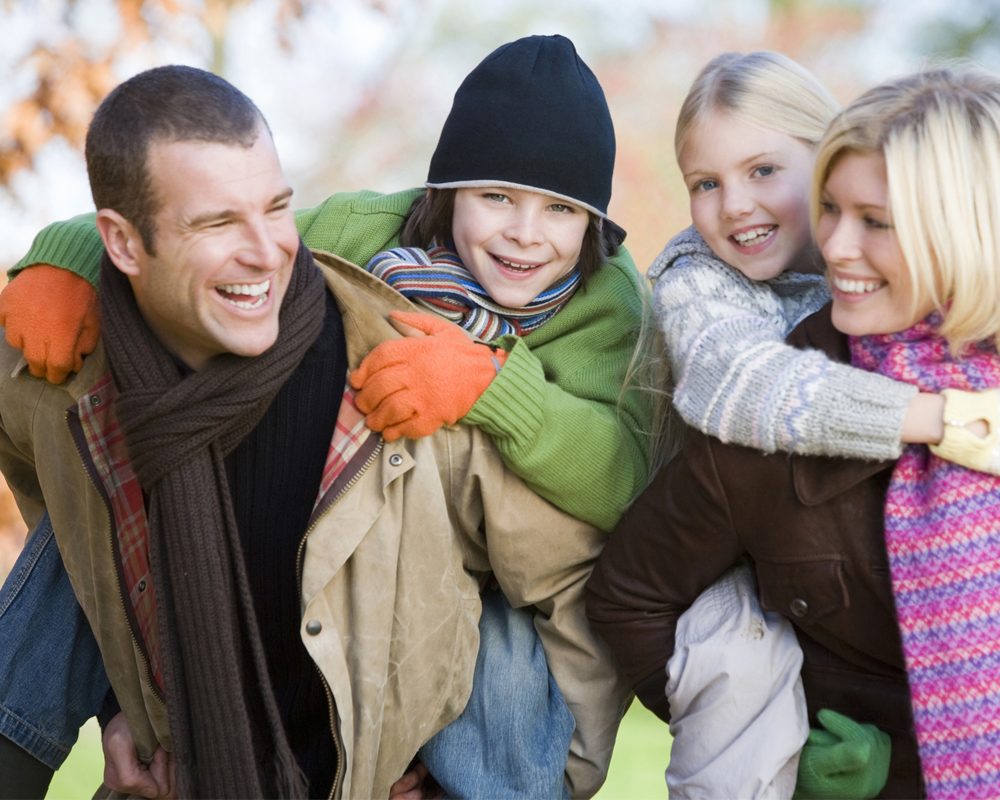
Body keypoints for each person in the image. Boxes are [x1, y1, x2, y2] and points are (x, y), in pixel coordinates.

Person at [0, 36, 653, 799]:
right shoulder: (366, 229)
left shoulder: (607, 307)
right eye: (497, 196)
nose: (525, 233)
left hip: (481, 577)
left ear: (595, 225)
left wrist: (495, 389)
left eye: (562, 209)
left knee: (507, 642)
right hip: (334, 523)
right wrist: (66, 257)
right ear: (444, 192)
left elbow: (622, 478)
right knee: (101, 522)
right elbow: (219, 236)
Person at [587, 65, 1000, 798]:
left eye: (874, 221)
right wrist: (790, 749)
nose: (833, 247)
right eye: (830, 210)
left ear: (973, 224)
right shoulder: (775, 407)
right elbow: (630, 596)